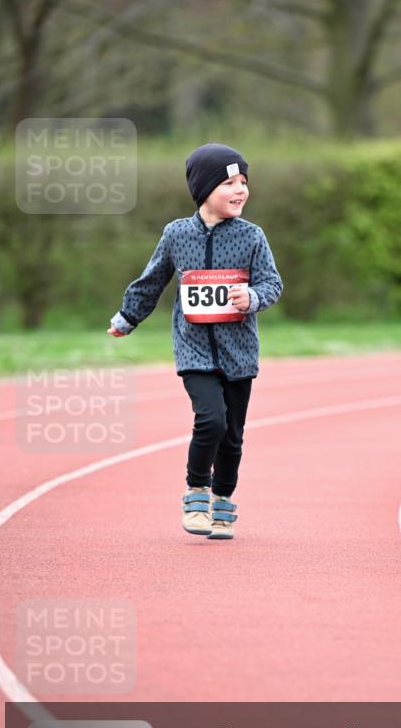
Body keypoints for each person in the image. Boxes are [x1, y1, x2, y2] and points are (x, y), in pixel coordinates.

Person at [108, 143, 283, 539]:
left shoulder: (252, 237)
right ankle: (197, 491)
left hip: (239, 352)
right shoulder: (177, 235)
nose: (240, 190)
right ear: (204, 189)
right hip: (194, 348)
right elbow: (152, 280)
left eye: (244, 182)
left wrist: (252, 297)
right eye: (229, 183)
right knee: (211, 420)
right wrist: (128, 317)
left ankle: (223, 500)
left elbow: (272, 283)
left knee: (232, 437)